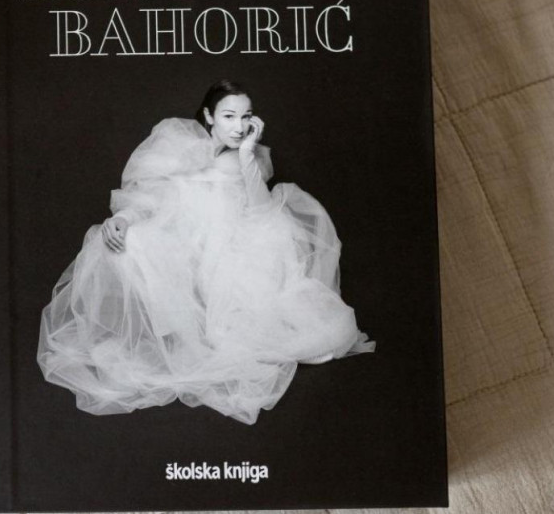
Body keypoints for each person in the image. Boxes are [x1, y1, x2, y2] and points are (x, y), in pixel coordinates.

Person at [37, 79, 374, 424]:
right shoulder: (177, 146)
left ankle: (219, 327)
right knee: (125, 240)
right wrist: (122, 219)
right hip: (184, 243)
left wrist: (247, 154)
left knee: (241, 327)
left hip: (234, 245)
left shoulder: (250, 155)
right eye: (229, 116)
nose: (239, 126)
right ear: (209, 116)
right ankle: (166, 333)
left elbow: (261, 210)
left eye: (247, 116)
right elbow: (153, 200)